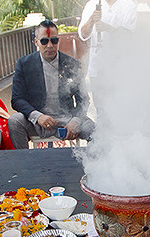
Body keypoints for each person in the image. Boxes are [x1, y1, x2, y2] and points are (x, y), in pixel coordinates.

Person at [7, 20, 94, 148]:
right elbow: (17, 99)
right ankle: (25, 159)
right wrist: (37, 116)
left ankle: (87, 161)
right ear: (36, 42)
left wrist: (75, 120)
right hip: (37, 121)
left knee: (93, 130)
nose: (50, 45)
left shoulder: (71, 64)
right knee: (15, 121)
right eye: (44, 41)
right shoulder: (25, 64)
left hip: (67, 118)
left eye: (54, 40)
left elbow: (84, 99)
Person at [77, 0, 138, 83]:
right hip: (97, 68)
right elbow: (83, 35)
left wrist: (107, 28)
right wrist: (92, 20)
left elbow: (128, 37)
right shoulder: (91, 5)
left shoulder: (128, 6)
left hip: (120, 68)